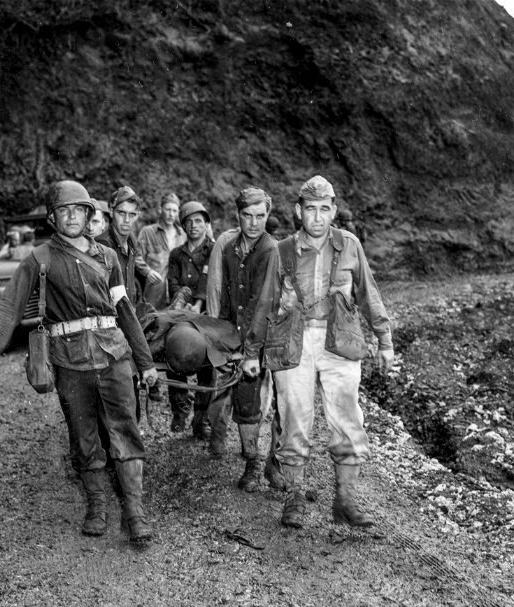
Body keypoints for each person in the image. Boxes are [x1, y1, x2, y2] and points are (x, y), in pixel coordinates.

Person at [0, 180, 159, 543]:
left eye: (79, 209)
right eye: (64, 210)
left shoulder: (109, 257)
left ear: (89, 215)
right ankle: (97, 505)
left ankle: (135, 512)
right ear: (53, 218)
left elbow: (125, 310)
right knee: (84, 437)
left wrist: (145, 360)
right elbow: (10, 304)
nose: (72, 216)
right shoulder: (40, 259)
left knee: (126, 431)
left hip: (114, 355)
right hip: (71, 363)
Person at [245, 175, 394, 528]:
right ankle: (294, 496)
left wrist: (384, 340)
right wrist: (252, 351)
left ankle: (345, 500)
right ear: (298, 211)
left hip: (339, 341)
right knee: (295, 419)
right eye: (310, 209)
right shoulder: (281, 251)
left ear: (334, 211)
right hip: (294, 341)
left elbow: (368, 293)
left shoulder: (349, 245)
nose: (317, 217)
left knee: (347, 418)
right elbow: (265, 301)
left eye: (324, 209)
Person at [204, 186, 284, 492]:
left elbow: (262, 304)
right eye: (248, 216)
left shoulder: (270, 250)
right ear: (238, 216)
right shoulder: (229, 248)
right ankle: (251, 458)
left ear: (267, 215)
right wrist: (219, 337)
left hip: (264, 338)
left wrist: (250, 350)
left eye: (260, 216)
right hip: (235, 336)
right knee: (241, 398)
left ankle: (265, 463)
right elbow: (223, 295)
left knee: (265, 401)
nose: (254, 222)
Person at [166, 200, 215, 435]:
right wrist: (183, 301)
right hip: (180, 313)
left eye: (198, 221)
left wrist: (199, 303)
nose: (194, 226)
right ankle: (180, 411)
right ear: (183, 227)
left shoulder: (215, 250)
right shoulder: (176, 254)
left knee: (208, 366)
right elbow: (173, 282)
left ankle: (201, 420)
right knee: (173, 354)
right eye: (189, 222)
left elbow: (213, 281)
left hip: (206, 315)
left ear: (206, 224)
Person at [96, 186, 146, 307]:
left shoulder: (132, 243)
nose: (127, 220)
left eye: (132, 214)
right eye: (121, 213)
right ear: (112, 212)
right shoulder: (103, 245)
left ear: (138, 215)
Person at [136, 192, 185, 310]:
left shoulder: (183, 235)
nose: (171, 214)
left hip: (177, 295)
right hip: (153, 293)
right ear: (160, 210)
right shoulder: (148, 232)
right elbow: (136, 256)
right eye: (168, 209)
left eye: (174, 211)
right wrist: (147, 272)